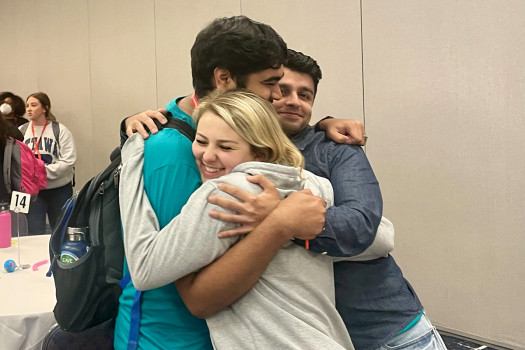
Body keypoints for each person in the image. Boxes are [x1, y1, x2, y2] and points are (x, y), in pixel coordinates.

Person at [116, 16, 369, 349]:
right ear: (224, 79)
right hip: (169, 336)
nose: (278, 95)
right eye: (271, 82)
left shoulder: (252, 158)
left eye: (224, 147)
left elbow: (372, 230)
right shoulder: (173, 151)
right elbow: (166, 275)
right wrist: (131, 147)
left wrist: (322, 126)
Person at [211, 49, 448, 350]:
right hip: (305, 336)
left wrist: (280, 218)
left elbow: (363, 226)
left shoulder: (336, 149)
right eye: (282, 91)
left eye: (305, 95)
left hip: (388, 332)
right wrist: (134, 124)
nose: (294, 101)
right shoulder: (231, 150)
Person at [20, 92, 76, 235]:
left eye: (33, 105)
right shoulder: (22, 131)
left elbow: (68, 161)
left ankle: (58, 257)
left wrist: (40, 172)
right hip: (33, 191)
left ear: (45, 108)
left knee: (61, 230)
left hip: (59, 189)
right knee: (33, 230)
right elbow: (16, 159)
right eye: (27, 106)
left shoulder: (60, 130)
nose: (29, 109)